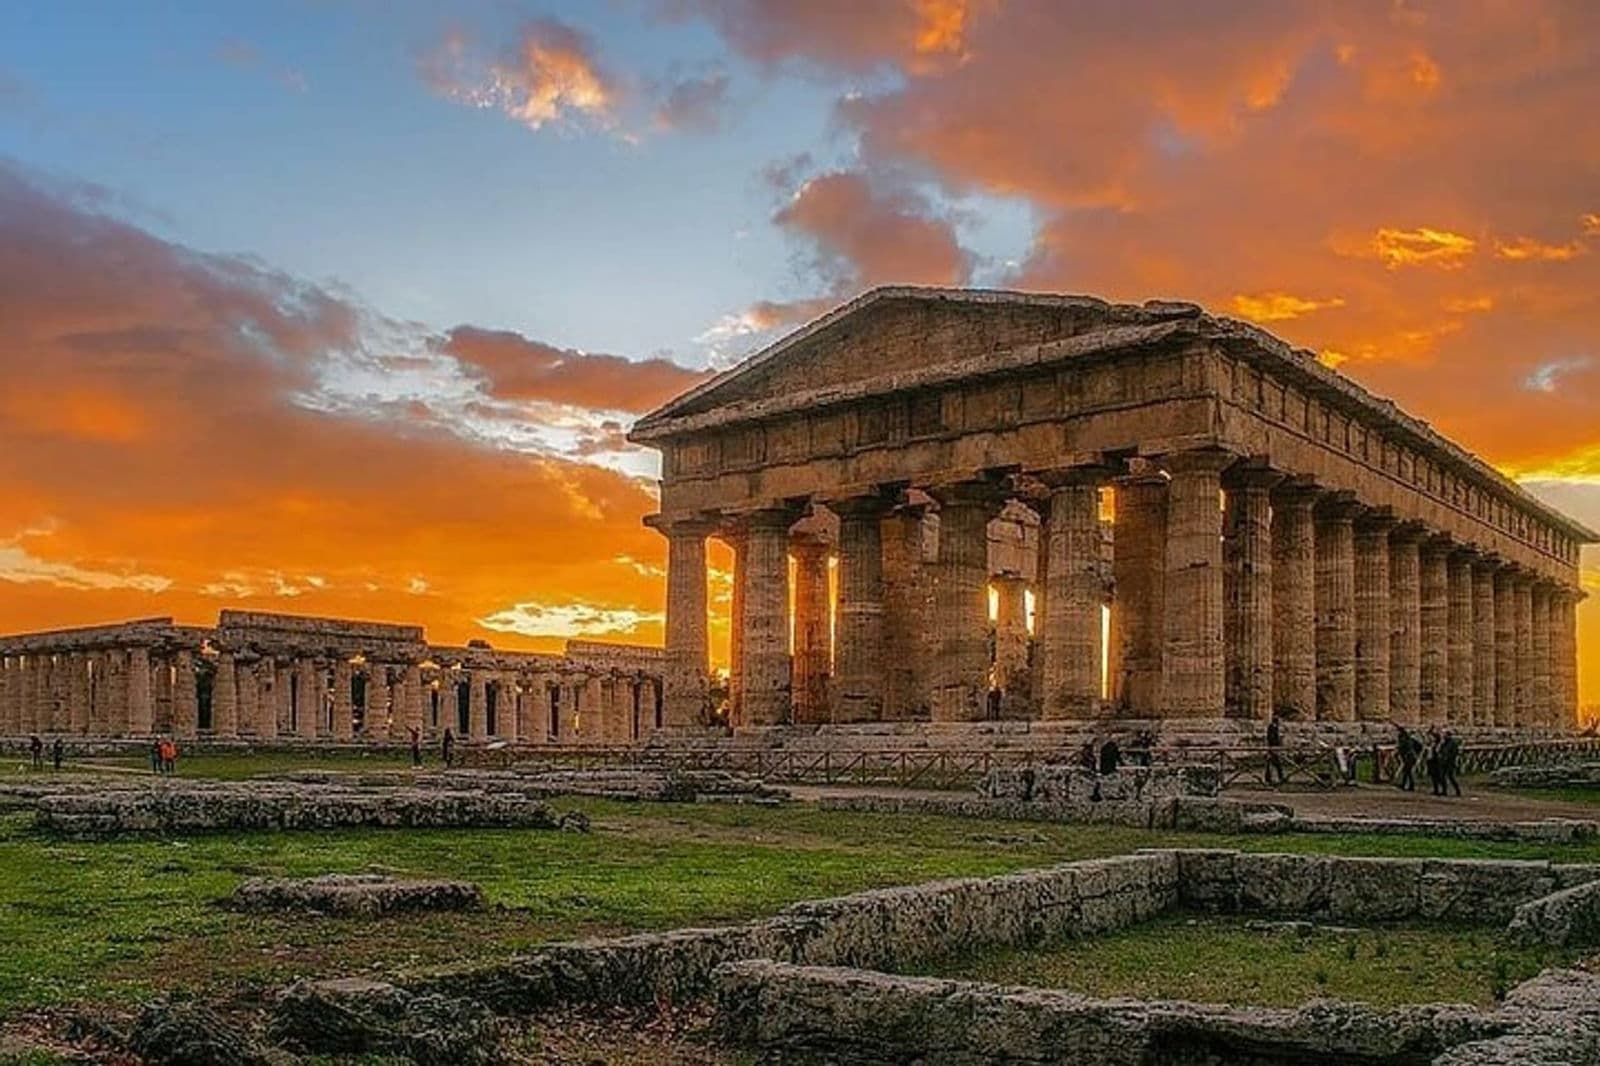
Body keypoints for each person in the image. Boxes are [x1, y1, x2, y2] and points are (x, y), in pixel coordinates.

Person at [1439, 729, 1462, 797]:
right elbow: (1441, 750)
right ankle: (1444, 790)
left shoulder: (1453, 743)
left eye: (1445, 734)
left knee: (1451, 777)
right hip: (1444, 762)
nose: (1443, 736)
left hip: (1450, 762)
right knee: (1442, 777)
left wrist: (1449, 758)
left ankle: (1457, 790)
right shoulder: (1444, 743)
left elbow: (1454, 752)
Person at [1396, 726, 1418, 792]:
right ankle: (1407, 785)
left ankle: (1408, 785)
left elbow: (1402, 748)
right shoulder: (1409, 739)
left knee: (1407, 771)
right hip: (1410, 756)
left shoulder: (1405, 740)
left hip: (1409, 757)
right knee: (1407, 771)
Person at [1265, 714, 1285, 786]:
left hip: (1274, 748)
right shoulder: (1272, 727)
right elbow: (1271, 738)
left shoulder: (1275, 727)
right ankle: (1279, 777)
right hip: (1273, 748)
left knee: (1274, 763)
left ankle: (1275, 777)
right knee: (1275, 763)